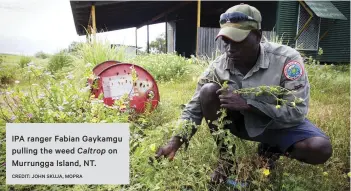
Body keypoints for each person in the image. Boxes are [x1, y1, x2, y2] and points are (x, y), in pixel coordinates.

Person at [155, 3, 332, 184]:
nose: (230, 49)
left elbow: (298, 111)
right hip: (243, 125)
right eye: (226, 41)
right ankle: (226, 160)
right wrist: (174, 142)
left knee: (320, 148)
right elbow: (194, 109)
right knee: (208, 91)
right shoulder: (218, 66)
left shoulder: (287, 59)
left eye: (238, 41)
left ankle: (271, 151)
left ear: (257, 36)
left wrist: (248, 104)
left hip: (280, 125)